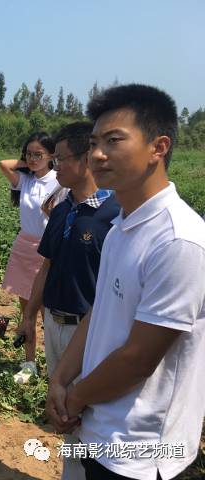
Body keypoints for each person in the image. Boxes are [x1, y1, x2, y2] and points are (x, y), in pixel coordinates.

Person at [46, 84, 205, 480]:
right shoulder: (121, 229)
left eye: (114, 141)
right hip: (101, 431)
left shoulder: (178, 239)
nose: (98, 154)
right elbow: (98, 312)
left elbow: (138, 358)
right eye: (95, 143)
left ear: (158, 147)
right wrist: (60, 379)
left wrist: (76, 397)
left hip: (143, 453)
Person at [17, 121, 120, 480]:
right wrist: (30, 315)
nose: (55, 167)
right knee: (64, 411)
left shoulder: (115, 214)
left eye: (60, 160)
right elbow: (46, 267)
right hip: (55, 324)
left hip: (89, 332)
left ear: (86, 160)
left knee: (89, 413)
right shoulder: (62, 210)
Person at [0, 132, 59, 382]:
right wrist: (30, 163)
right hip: (25, 245)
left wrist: (45, 163)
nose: (32, 159)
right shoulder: (26, 180)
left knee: (49, 314)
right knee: (27, 311)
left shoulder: (59, 181)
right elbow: (4, 164)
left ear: (52, 156)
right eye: (29, 154)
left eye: (39, 154)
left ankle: (55, 367)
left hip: (48, 250)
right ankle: (29, 363)